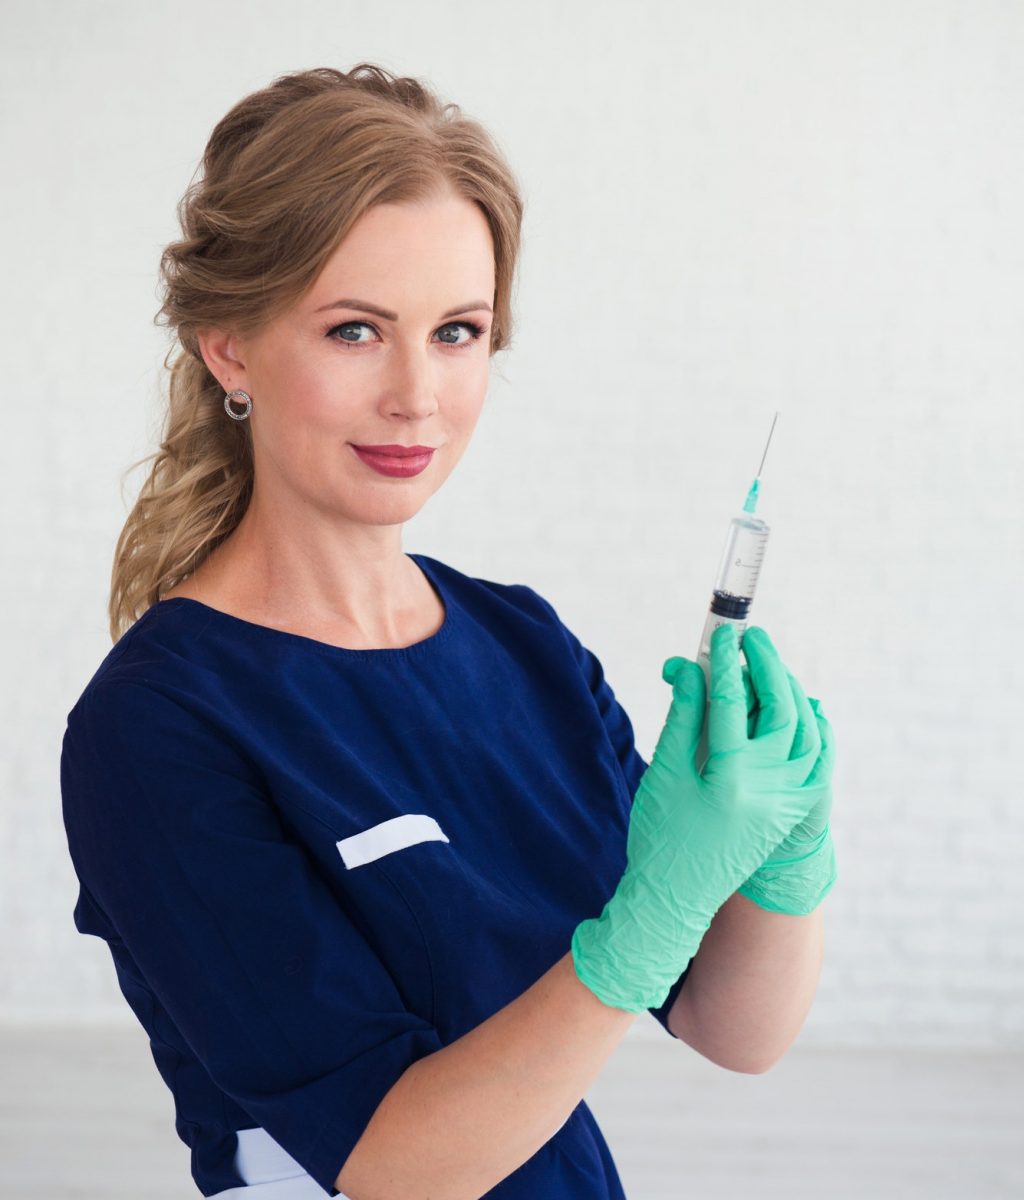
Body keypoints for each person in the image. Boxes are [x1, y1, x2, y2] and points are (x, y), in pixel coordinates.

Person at [59, 63, 838, 1200]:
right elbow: (389, 1167)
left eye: (459, 331)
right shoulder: (160, 725)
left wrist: (785, 857)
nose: (417, 395)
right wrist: (638, 926)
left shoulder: (523, 649)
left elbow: (733, 1028)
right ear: (230, 346)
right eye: (356, 330)